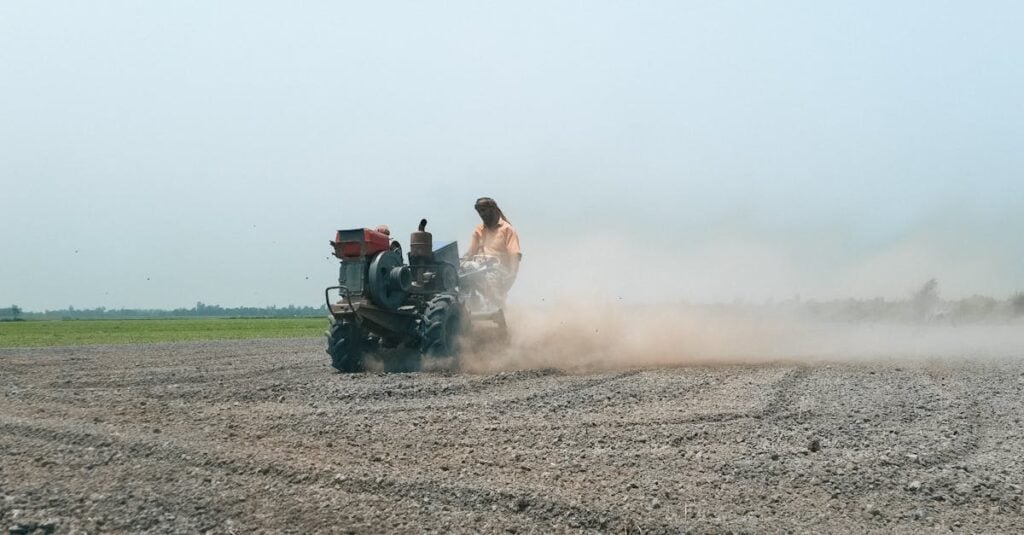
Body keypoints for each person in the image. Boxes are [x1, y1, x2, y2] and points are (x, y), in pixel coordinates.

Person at [464, 197, 521, 296]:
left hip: (498, 269)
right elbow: (470, 253)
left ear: (493, 209)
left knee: (488, 281)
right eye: (479, 211)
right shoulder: (479, 230)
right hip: (477, 268)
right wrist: (461, 264)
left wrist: (512, 274)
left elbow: (514, 254)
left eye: (484, 210)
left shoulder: (507, 230)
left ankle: (496, 306)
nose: (481, 214)